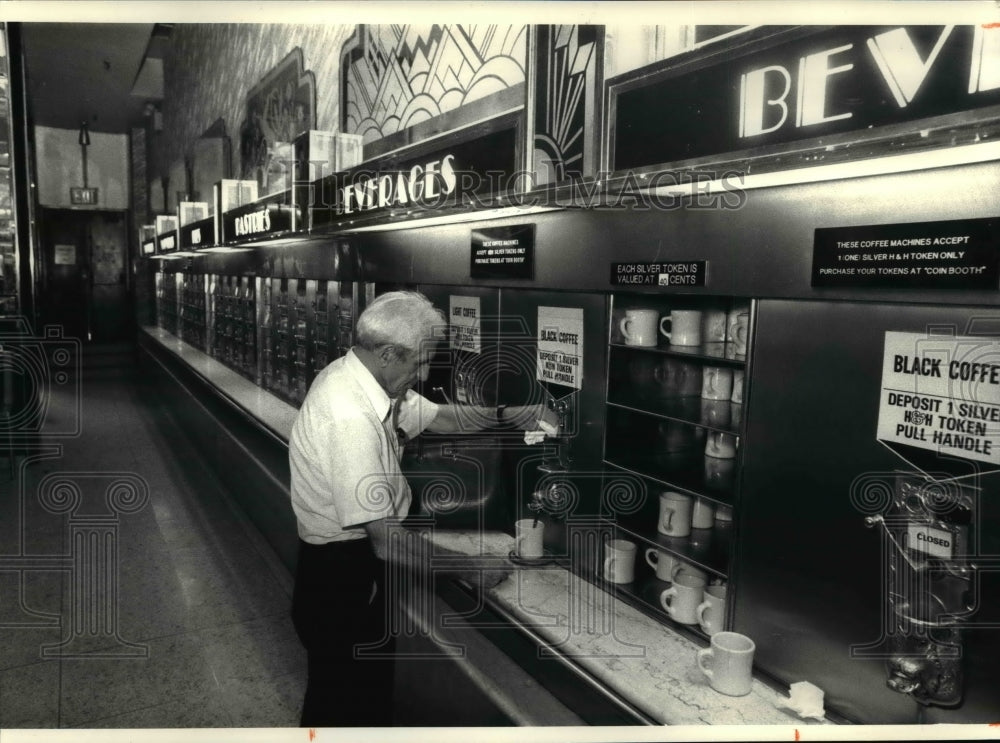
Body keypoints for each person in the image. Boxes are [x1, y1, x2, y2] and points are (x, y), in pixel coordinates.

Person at [288, 290, 555, 727]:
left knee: (357, 696)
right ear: (389, 353)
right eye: (420, 362)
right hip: (339, 580)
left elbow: (439, 417)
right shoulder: (350, 417)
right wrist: (472, 567)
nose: (426, 373)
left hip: (348, 572)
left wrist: (513, 412)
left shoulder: (364, 377)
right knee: (342, 705)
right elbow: (387, 544)